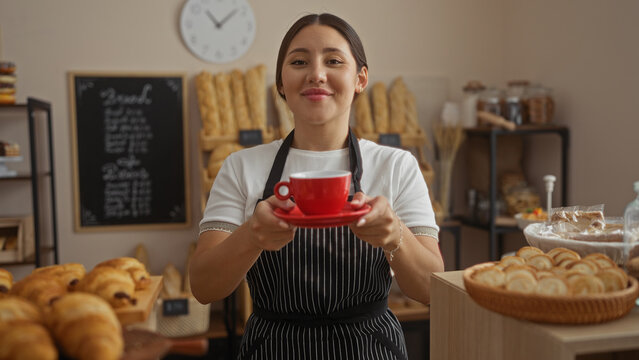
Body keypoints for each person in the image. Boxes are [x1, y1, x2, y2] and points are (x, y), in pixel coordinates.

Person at [190, 13, 444, 359]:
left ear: (360, 78)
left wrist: (394, 234)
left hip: (369, 350)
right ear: (281, 82)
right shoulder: (241, 166)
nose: (316, 74)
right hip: (273, 350)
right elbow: (203, 287)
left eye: (334, 61)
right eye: (299, 61)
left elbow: (432, 289)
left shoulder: (397, 165)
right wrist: (252, 235)